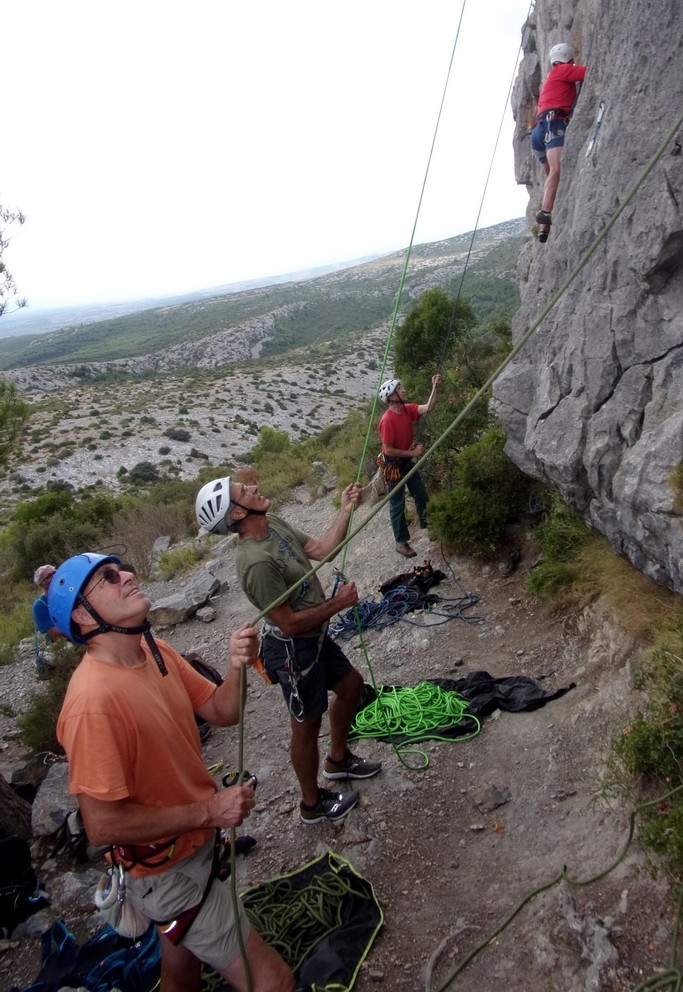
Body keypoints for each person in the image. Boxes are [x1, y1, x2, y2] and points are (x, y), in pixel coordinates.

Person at [51, 551, 295, 992]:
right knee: (274, 981)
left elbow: (222, 712)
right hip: (166, 871)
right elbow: (102, 825)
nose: (127, 574)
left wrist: (237, 667)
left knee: (180, 961)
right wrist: (209, 811)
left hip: (193, 848)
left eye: (123, 567)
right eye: (108, 578)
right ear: (83, 618)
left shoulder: (154, 650)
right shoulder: (92, 704)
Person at [195, 477, 381, 825]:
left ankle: (338, 760)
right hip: (294, 649)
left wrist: (344, 510)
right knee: (306, 726)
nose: (251, 487)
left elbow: (323, 551)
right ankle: (311, 804)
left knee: (352, 687)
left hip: (315, 637)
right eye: (242, 491)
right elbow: (289, 622)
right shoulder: (255, 563)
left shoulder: (273, 524)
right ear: (237, 512)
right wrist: (337, 605)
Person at [530, 43, 588, 242]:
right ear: (568, 59)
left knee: (549, 175)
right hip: (553, 124)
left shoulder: (549, 79)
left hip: (538, 131)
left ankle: (544, 230)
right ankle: (545, 213)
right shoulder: (563, 70)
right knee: (556, 170)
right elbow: (588, 72)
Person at [378, 375, 440, 558]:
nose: (404, 390)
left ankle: (429, 526)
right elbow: (388, 450)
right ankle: (401, 542)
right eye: (399, 389)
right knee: (397, 503)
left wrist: (434, 387)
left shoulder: (406, 409)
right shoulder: (387, 420)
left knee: (420, 494)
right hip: (394, 466)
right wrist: (412, 453)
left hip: (405, 462)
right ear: (392, 397)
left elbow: (428, 408)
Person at [32, 564, 59, 678]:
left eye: (55, 572)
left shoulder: (69, 594)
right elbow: (55, 635)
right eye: (49, 576)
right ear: (41, 584)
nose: (54, 576)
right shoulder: (39, 606)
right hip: (58, 646)